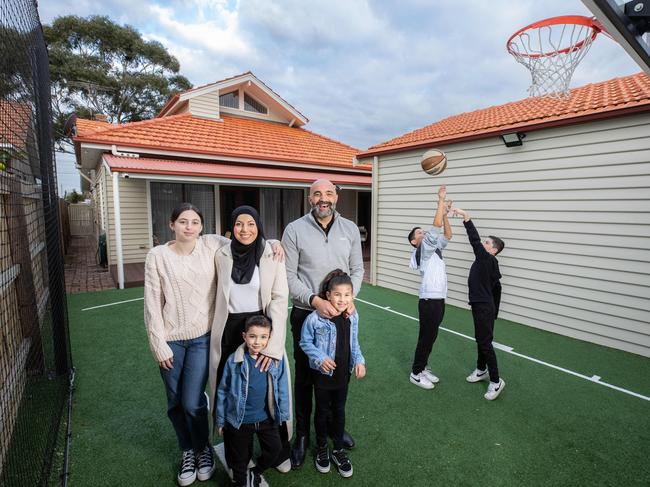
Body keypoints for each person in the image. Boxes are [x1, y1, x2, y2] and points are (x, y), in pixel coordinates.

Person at [282, 179, 364, 468]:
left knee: (337, 374)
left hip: (341, 314)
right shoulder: (294, 229)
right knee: (306, 377)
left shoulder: (350, 229)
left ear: (336, 198)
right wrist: (316, 301)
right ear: (309, 198)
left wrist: (348, 299)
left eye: (328, 193)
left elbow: (357, 269)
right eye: (317, 193)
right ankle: (303, 435)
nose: (323, 198)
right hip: (307, 313)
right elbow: (288, 275)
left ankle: (332, 429)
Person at [144, 203, 228, 486]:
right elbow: (152, 304)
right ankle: (188, 451)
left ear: (201, 227)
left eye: (194, 222)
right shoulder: (157, 256)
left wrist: (274, 242)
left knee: (192, 402)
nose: (188, 226)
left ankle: (203, 448)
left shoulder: (211, 244)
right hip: (171, 340)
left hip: (202, 339)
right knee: (175, 403)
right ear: (172, 225)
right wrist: (159, 344)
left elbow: (247, 239)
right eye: (182, 221)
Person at [207, 205, 291, 473]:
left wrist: (274, 346)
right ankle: (236, 456)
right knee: (231, 388)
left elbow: (279, 299)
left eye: (252, 224)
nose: (246, 230)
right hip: (230, 330)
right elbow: (198, 237)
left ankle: (278, 451)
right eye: (240, 224)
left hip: (261, 327)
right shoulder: (220, 252)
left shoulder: (270, 253)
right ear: (231, 228)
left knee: (269, 384)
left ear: (259, 226)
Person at [299, 270, 365, 478]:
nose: (342, 299)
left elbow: (354, 343)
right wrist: (320, 358)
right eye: (337, 294)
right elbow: (305, 342)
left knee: (339, 411)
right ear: (328, 295)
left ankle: (338, 449)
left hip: (342, 376)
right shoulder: (315, 319)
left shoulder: (352, 316)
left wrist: (359, 361)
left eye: (347, 295)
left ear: (352, 296)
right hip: (322, 377)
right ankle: (321, 448)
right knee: (321, 412)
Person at [216, 315, 291, 487]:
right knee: (239, 458)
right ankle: (241, 480)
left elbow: (282, 388)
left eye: (263, 337)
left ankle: (255, 472)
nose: (258, 342)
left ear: (270, 338)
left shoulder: (275, 362)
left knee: (275, 449)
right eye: (252, 336)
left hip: (266, 419)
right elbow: (222, 391)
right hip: (240, 421)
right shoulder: (233, 361)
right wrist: (220, 420)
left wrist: (283, 414)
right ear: (244, 336)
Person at [451, 206, 506, 401]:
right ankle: (481, 370)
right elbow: (497, 289)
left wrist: (466, 217)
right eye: (484, 241)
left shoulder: (485, 259)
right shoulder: (489, 263)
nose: (483, 243)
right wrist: (495, 313)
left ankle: (496, 381)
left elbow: (473, 238)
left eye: (487, 242)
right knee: (481, 340)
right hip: (484, 307)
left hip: (483, 307)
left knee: (484, 342)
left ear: (494, 249)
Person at [407, 186, 452, 390]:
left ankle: (423, 367)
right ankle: (416, 373)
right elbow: (435, 229)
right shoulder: (423, 250)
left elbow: (447, 235)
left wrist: (445, 215)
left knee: (431, 336)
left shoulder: (434, 249)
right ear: (414, 241)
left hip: (439, 299)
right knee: (426, 337)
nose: (423, 233)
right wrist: (440, 201)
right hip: (429, 301)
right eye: (419, 233)